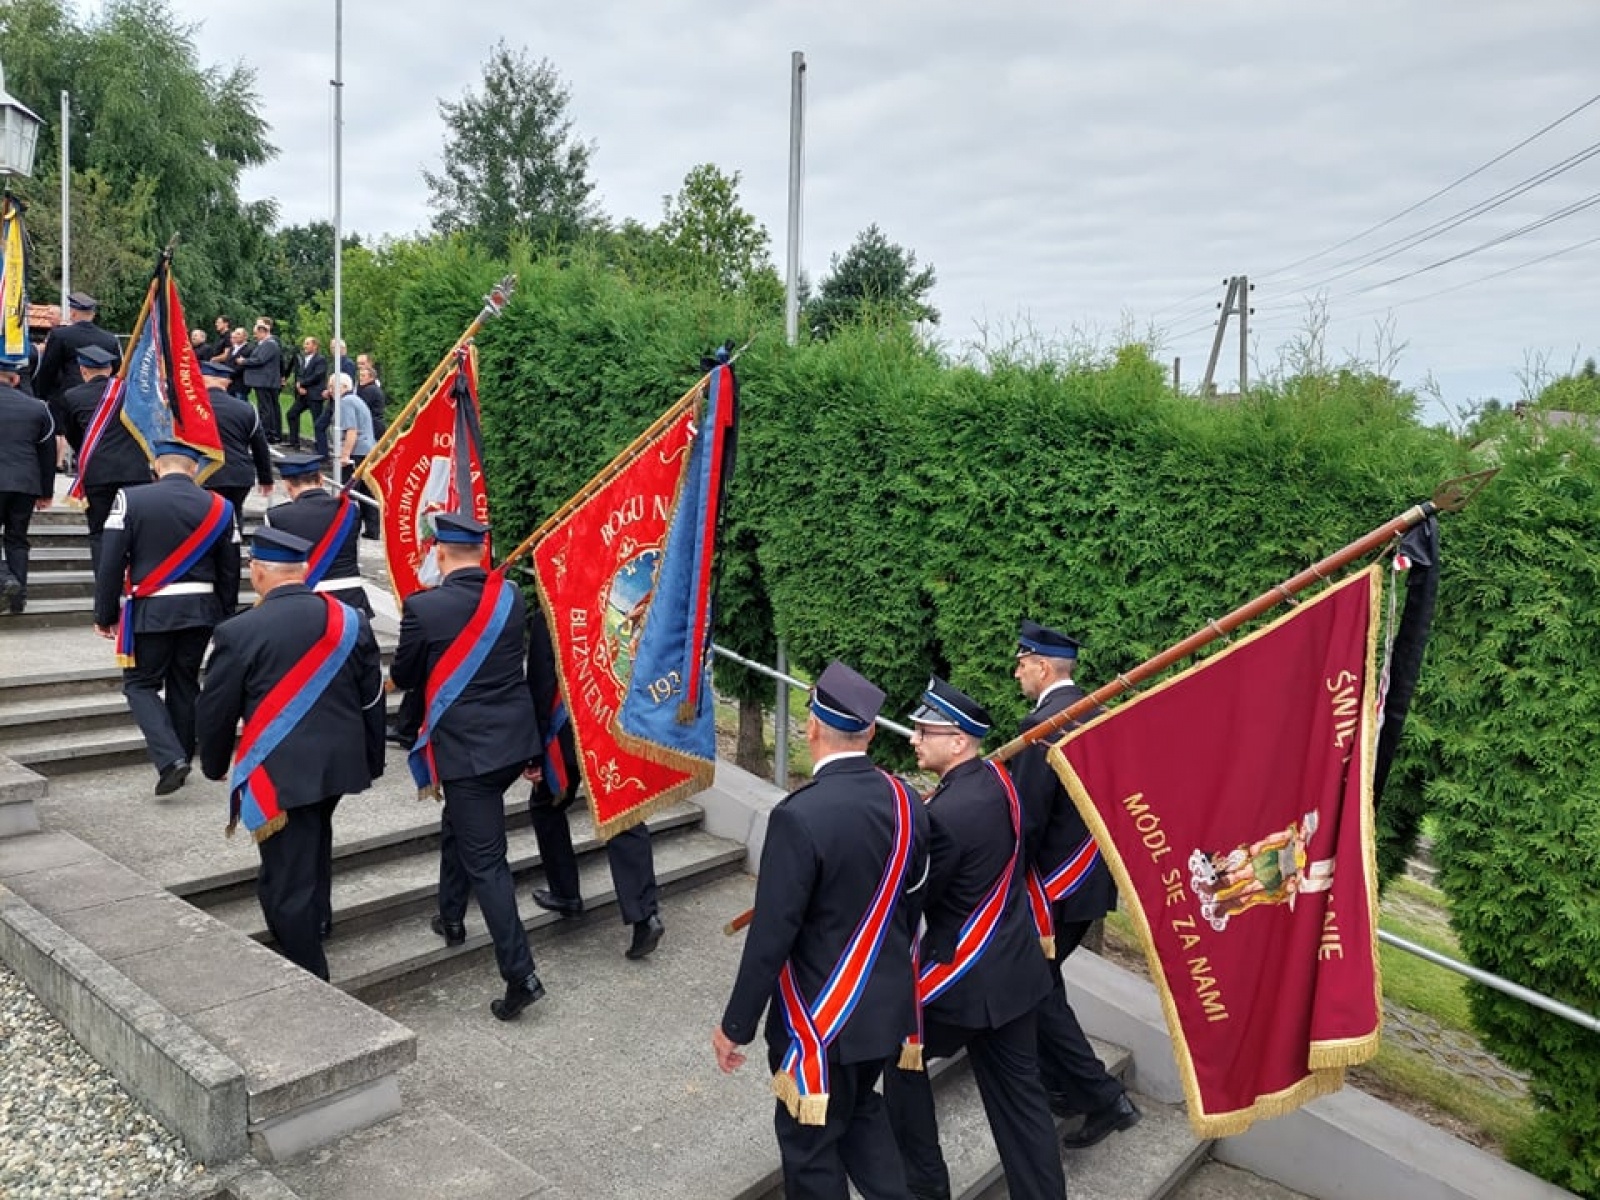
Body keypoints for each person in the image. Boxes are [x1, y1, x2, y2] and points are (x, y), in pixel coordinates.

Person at [714, 660, 930, 1200]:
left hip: (820, 1022)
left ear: (811, 728)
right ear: (871, 732)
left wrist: (735, 1025)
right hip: (885, 1013)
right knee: (859, 1115)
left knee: (810, 1151)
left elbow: (771, 939)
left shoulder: (799, 816)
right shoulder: (908, 803)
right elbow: (914, 902)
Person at [883, 678, 1064, 1200]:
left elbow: (914, 896)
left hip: (961, 985)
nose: (915, 738)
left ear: (959, 741)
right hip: (1016, 974)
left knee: (901, 1057)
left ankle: (925, 1186)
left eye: (925, 730)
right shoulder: (994, 783)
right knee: (1023, 1112)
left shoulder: (948, 815)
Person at [196, 527, 386, 979]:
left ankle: (311, 972)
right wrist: (372, 761)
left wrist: (216, 763)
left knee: (285, 879)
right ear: (303, 570)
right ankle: (317, 919)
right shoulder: (349, 619)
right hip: (339, 762)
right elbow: (372, 697)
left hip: (281, 771)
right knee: (315, 843)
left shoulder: (238, 630)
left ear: (258, 571)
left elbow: (215, 709)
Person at [389, 512, 545, 1020]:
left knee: (488, 862)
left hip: (468, 755)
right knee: (457, 823)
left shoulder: (423, 607)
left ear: (439, 552)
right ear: (481, 552)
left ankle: (520, 974)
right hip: (513, 744)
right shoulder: (511, 597)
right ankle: (450, 917)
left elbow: (406, 673)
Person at [1011, 619, 1140, 1149]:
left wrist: (1001, 882)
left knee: (1032, 988)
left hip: (1053, 891)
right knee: (1041, 984)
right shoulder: (1097, 713)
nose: (1017, 672)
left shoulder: (1044, 727)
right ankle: (1064, 1085)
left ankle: (1105, 1098)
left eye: (1021, 663)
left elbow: (1028, 822)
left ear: (1042, 667)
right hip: (1087, 887)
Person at [93, 442, 240, 796]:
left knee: (140, 684)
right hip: (202, 608)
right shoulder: (222, 507)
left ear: (156, 466)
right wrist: (224, 614)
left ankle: (170, 758)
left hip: (153, 609)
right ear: (194, 469)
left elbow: (110, 560)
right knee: (184, 683)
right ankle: (183, 756)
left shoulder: (130, 498)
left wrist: (105, 613)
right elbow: (230, 568)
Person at [524, 600, 665, 959]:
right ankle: (644, 914)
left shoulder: (553, 609)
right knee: (623, 814)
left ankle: (566, 893)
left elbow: (541, 685)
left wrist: (533, 750)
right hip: (612, 727)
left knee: (546, 805)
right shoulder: (614, 600)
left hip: (567, 734)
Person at [52, 344, 151, 574]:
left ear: (83, 370)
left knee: (99, 532)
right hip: (135, 473)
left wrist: (88, 452)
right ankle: (137, 581)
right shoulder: (131, 392)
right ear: (109, 369)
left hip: (97, 473)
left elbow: (74, 435)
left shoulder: (72, 396)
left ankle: (105, 588)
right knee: (136, 531)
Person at [263, 452, 372, 617]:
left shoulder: (276, 516)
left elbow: (271, 565)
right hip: (350, 600)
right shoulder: (349, 510)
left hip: (304, 602)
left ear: (287, 485)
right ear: (320, 479)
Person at [0, 355, 56, 616]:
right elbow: (47, 452)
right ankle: (17, 598)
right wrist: (46, 491)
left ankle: (5, 579)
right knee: (17, 539)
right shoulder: (37, 408)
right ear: (15, 379)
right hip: (25, 483)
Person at [200, 363, 274, 534]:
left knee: (203, 520)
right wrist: (266, 479)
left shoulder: (191, 409)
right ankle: (233, 554)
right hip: (238, 476)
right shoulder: (247, 409)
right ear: (226, 383)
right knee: (234, 516)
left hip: (204, 474)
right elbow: (260, 447)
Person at [31, 291, 121, 407]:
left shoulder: (60, 335)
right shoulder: (110, 339)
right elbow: (116, 369)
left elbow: (49, 369)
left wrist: (41, 395)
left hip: (67, 398)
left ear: (73, 313)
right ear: (93, 314)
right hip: (100, 399)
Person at [334, 374, 380, 539]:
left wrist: (345, 455)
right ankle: (373, 530)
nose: (331, 391)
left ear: (344, 387)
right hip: (369, 449)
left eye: (333, 387)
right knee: (367, 492)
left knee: (349, 491)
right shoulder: (357, 400)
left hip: (357, 452)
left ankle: (347, 528)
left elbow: (352, 430)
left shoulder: (346, 402)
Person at [236, 317, 284, 443]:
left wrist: (244, 361)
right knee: (264, 406)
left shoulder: (270, 344)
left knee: (266, 408)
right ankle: (268, 431)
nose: (255, 336)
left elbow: (260, 360)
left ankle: (268, 433)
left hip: (265, 381)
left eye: (257, 333)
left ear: (263, 332)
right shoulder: (263, 344)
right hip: (262, 381)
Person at [285, 336, 328, 452]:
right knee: (291, 414)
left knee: (317, 421)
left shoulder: (320, 359)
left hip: (315, 395)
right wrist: (299, 385)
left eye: (308, 344)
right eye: (305, 344)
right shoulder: (304, 359)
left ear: (315, 346)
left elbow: (317, 375)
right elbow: (299, 373)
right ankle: (294, 442)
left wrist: (302, 383)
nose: (305, 346)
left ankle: (321, 448)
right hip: (303, 395)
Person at [356, 360, 388, 439]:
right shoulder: (372, 388)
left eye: (363, 376)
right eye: (360, 376)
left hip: (373, 426)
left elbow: (360, 408)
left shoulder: (369, 390)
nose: (360, 378)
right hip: (375, 425)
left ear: (371, 378)